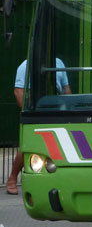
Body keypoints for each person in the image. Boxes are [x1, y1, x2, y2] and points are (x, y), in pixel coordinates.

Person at [8, 59, 71, 194]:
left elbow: (66, 89)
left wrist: (69, 110)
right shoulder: (25, 66)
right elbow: (18, 91)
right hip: (37, 108)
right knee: (27, 146)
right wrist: (28, 114)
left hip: (58, 109)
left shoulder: (59, 63)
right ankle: (12, 179)